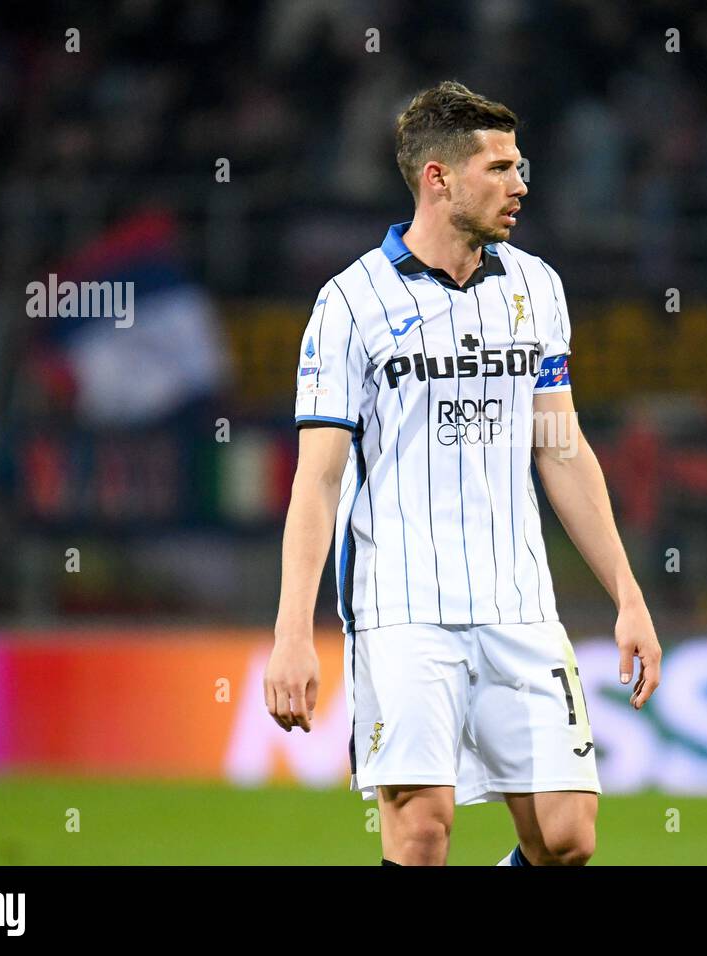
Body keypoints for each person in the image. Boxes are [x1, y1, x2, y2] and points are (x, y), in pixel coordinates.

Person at [264, 80, 661, 866]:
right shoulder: (350, 304)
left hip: (518, 600)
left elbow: (561, 448)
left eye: (520, 166)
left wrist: (628, 593)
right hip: (400, 605)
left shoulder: (535, 287)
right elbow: (316, 481)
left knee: (566, 838)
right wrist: (291, 632)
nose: (521, 185)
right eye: (501, 168)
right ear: (438, 179)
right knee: (421, 835)